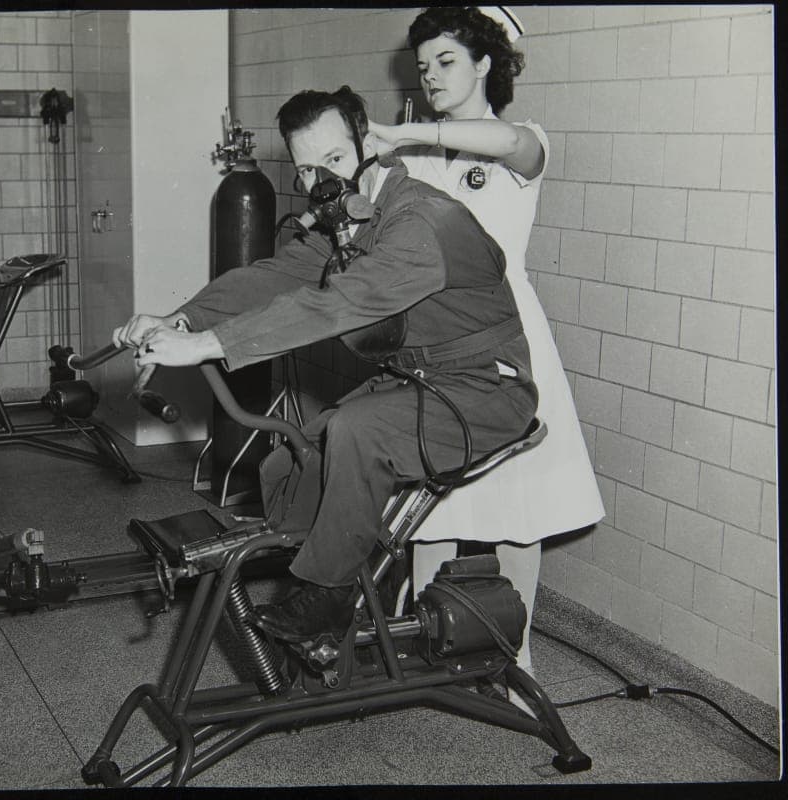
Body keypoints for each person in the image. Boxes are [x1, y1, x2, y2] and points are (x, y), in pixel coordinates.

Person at [113, 86, 538, 643]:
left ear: (370, 144)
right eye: (307, 170)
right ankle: (348, 581)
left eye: (335, 161)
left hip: (486, 389)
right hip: (422, 381)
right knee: (295, 456)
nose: (322, 184)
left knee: (358, 432)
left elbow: (336, 304)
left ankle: (329, 596)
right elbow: (271, 277)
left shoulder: (421, 222)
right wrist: (180, 322)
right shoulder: (349, 222)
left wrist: (208, 344)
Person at [368, 6, 605, 679]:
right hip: (433, 339)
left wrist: (410, 130)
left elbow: (500, 147)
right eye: (423, 66)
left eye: (446, 61)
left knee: (516, 507)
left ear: (484, 65)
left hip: (508, 335)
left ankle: (515, 657)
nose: (431, 74)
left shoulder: (525, 140)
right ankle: (423, 643)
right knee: (432, 500)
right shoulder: (414, 158)